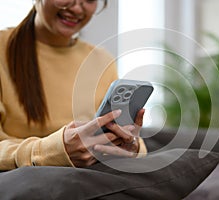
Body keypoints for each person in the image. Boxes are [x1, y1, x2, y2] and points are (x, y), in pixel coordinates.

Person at [0, 0, 147, 171]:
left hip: (91, 172)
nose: (77, 8)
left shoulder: (102, 61)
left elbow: (137, 145)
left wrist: (131, 146)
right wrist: (54, 152)